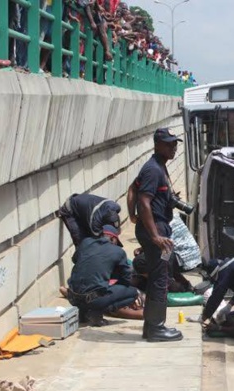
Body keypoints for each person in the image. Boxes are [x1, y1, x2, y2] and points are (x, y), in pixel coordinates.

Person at [127, 127, 183, 342]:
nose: (173, 148)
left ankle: (152, 326)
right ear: (157, 145)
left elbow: (133, 189)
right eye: (169, 144)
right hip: (156, 230)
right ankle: (156, 328)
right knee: (160, 278)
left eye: (175, 143)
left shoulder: (159, 167)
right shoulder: (153, 169)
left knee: (159, 276)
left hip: (158, 228)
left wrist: (132, 216)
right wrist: (154, 236)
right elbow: (143, 199)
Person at [66, 225, 140, 326]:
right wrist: (114, 278)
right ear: (113, 239)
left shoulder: (86, 242)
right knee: (133, 292)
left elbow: (75, 260)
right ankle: (97, 313)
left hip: (72, 297)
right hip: (94, 300)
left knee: (89, 283)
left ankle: (83, 314)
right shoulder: (118, 252)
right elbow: (126, 279)